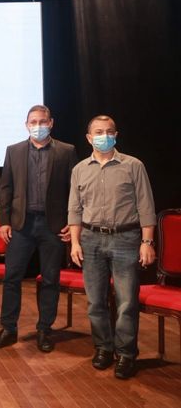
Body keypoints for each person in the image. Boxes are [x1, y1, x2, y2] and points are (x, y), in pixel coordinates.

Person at [69, 115, 156, 379]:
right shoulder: (80, 169)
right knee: (95, 300)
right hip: (91, 239)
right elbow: (75, 209)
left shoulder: (133, 165)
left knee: (126, 301)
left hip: (126, 239)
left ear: (116, 135)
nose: (103, 136)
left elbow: (146, 206)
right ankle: (103, 348)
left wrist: (147, 242)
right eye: (98, 132)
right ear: (89, 138)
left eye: (108, 131)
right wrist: (75, 242)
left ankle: (126, 353)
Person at [0, 105, 78, 352]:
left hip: (53, 226)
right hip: (21, 225)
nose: (38, 126)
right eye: (33, 122)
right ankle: (9, 329)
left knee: (50, 279)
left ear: (51, 123)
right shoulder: (14, 150)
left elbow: (75, 190)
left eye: (42, 121)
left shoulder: (66, 151)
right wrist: (4, 221)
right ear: (26, 125)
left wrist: (72, 222)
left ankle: (44, 330)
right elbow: (6, 188)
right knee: (12, 277)